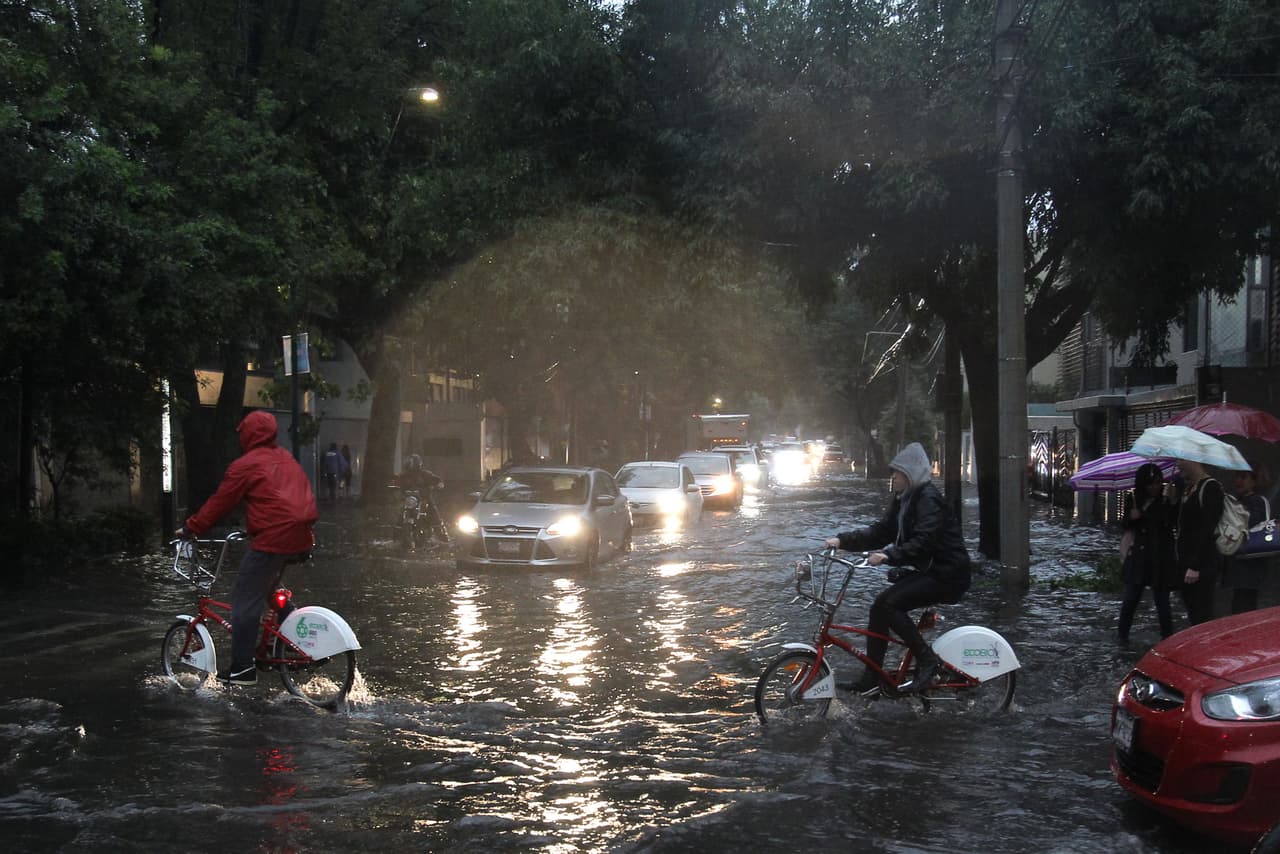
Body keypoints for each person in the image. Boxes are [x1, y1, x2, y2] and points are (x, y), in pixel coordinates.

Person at [175, 410, 318, 685]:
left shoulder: (246, 465)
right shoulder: (286, 458)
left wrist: (191, 527)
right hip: (301, 537)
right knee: (268, 590)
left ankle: (242, 667)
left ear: (247, 435)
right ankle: (296, 638)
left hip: (273, 539)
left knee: (243, 598)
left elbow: (220, 503)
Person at [824, 442, 971, 693]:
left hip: (948, 574)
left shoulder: (928, 499)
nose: (893, 476)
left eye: (898, 472)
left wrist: (889, 556)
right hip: (930, 571)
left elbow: (925, 541)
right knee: (879, 608)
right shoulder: (904, 499)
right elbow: (882, 531)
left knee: (889, 605)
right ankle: (872, 678)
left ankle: (927, 660)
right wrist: (842, 541)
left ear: (911, 474)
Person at [1117, 462, 1179, 641]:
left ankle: (1167, 639)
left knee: (1162, 603)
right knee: (1130, 600)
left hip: (1160, 556)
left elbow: (1168, 523)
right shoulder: (1134, 499)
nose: (1154, 487)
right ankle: (1122, 637)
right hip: (1139, 556)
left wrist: (1170, 504)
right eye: (1150, 483)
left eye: (1158, 482)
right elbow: (1125, 525)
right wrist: (1132, 517)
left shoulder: (1167, 500)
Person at [1175, 457, 1223, 626]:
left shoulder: (1211, 487)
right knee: (1192, 614)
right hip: (1185, 560)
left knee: (1202, 617)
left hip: (1201, 565)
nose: (1178, 464)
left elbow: (1208, 529)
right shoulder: (1188, 488)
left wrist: (1195, 566)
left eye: (1181, 460)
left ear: (1194, 459)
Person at [1221, 466, 1272, 615]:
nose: (1238, 481)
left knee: (1243, 607)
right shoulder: (1242, 500)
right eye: (1237, 476)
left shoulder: (1256, 501)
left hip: (1249, 564)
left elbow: (1247, 523)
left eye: (1243, 477)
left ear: (1254, 481)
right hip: (1244, 563)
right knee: (1241, 603)